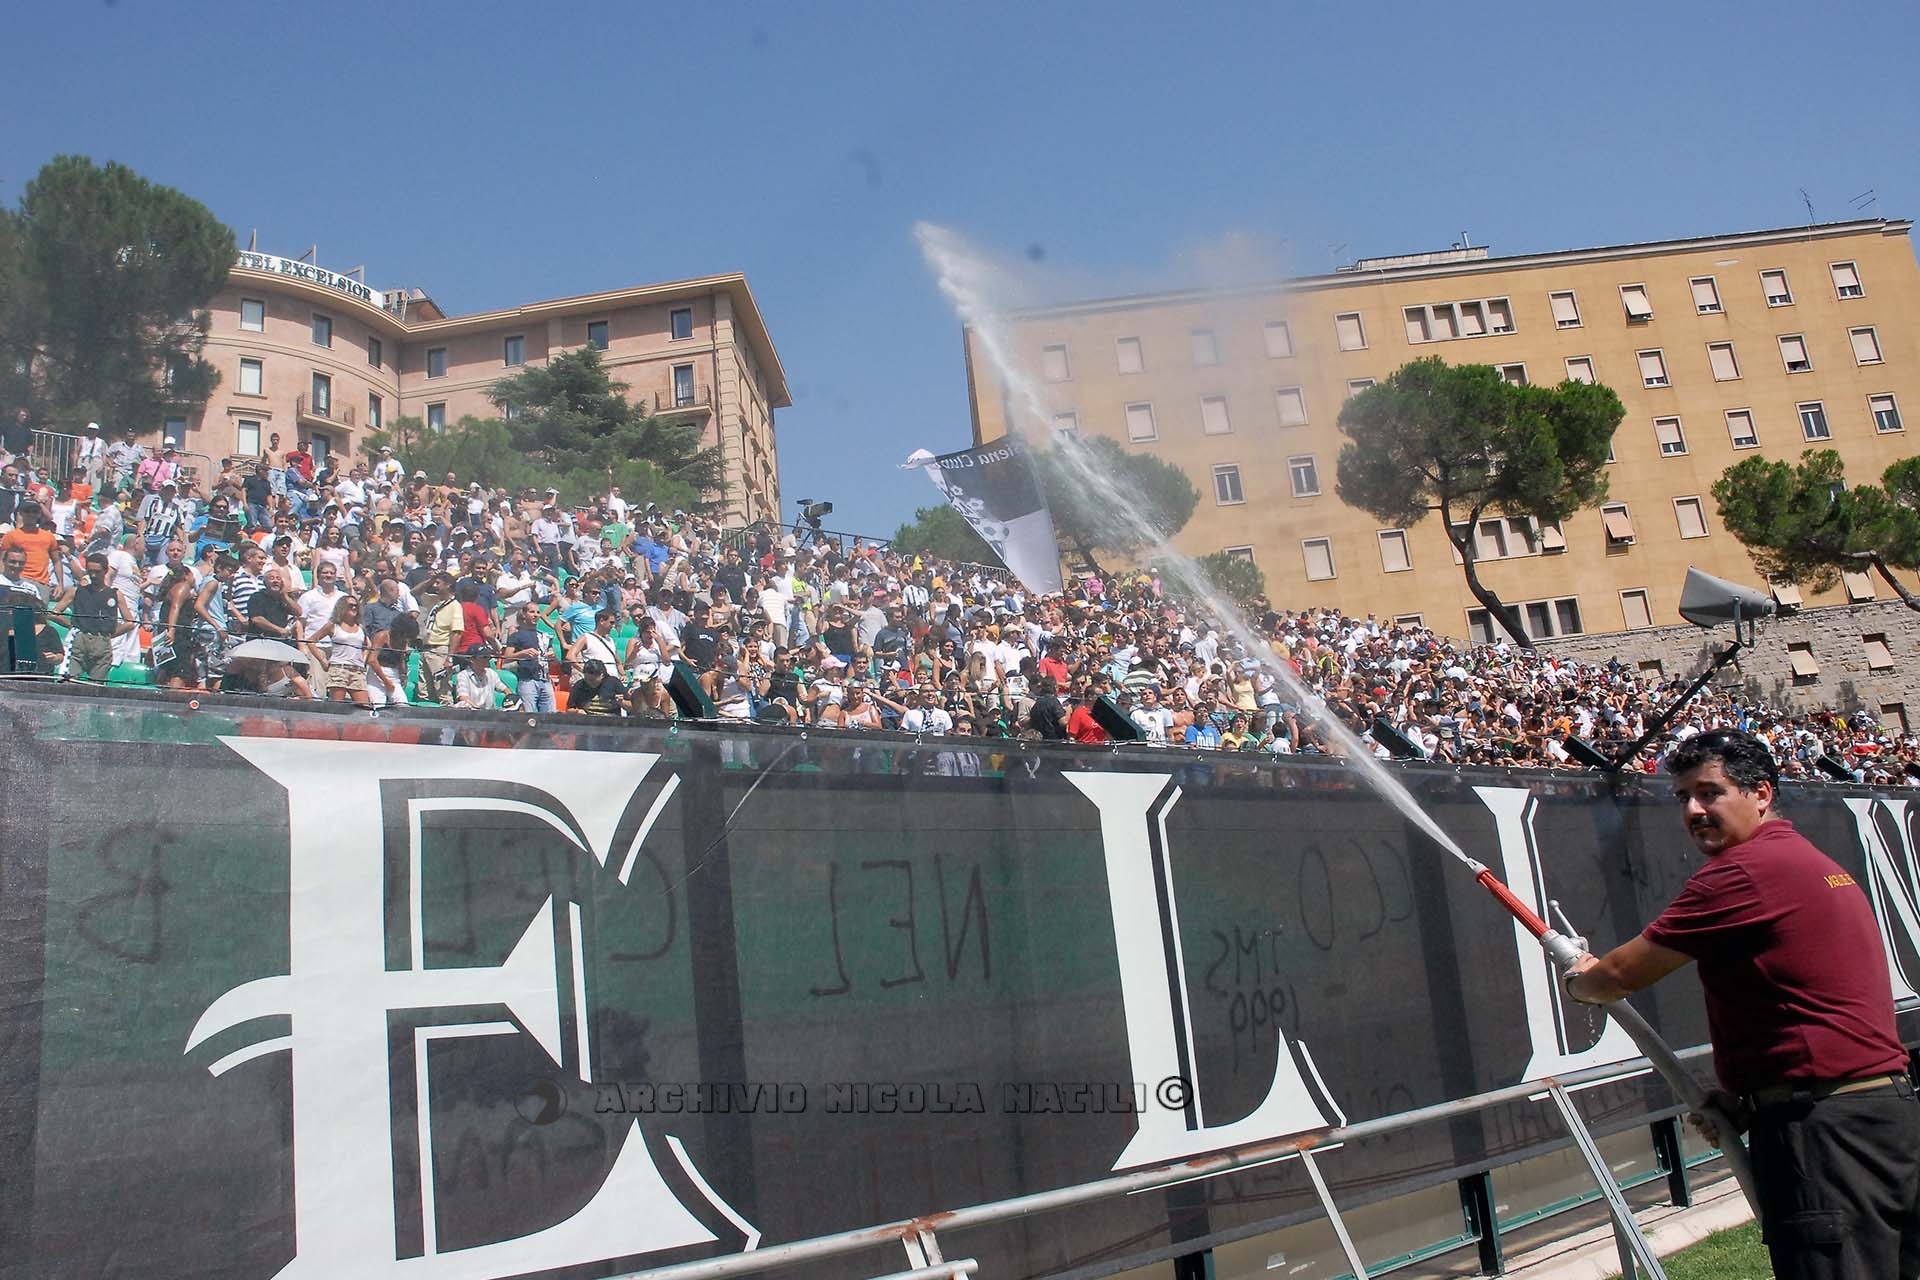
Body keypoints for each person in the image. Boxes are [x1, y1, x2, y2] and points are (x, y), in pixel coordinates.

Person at [1565, 730, 1918, 1280]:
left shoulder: (1742, 872)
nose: (1694, 810)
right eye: (1683, 797)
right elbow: (1806, 1004)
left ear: (1761, 794)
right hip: (1881, 1116)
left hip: (1824, 1134)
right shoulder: (1808, 860)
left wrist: (1578, 981)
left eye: (1710, 792)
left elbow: (1616, 977)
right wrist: (1751, 1099)